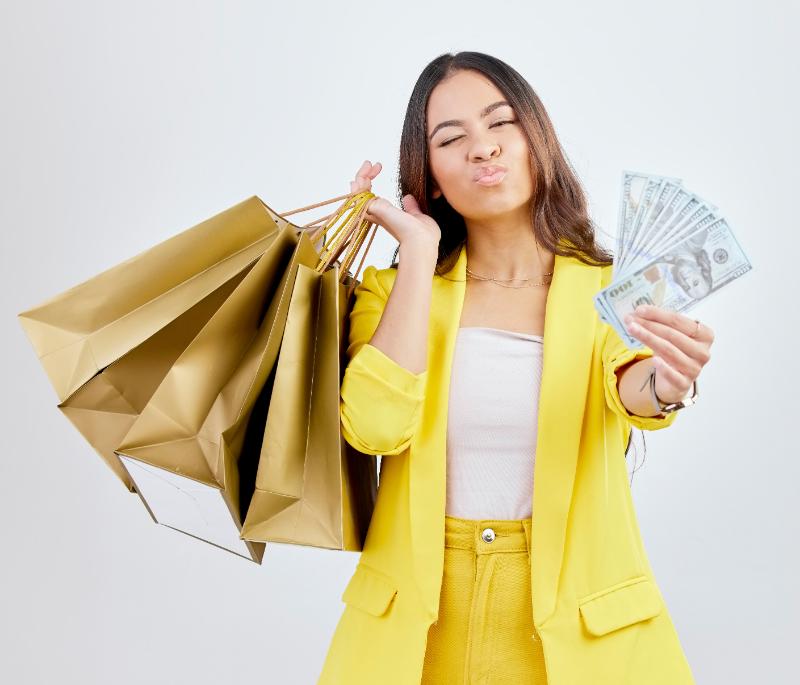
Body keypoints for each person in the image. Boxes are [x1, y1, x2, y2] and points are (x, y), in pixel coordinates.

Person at [317, 52, 714, 685]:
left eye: (500, 123)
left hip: (577, 635)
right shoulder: (389, 293)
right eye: (451, 138)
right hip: (420, 633)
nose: (483, 148)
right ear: (433, 179)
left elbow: (632, 382)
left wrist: (668, 383)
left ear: (536, 140)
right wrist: (418, 256)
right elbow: (375, 428)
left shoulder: (617, 288)